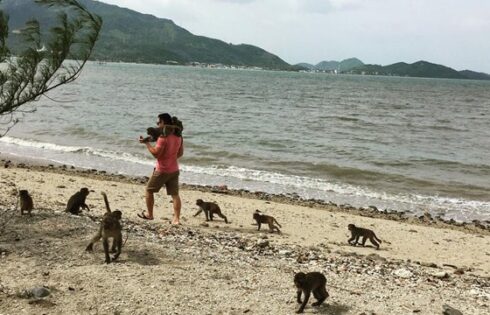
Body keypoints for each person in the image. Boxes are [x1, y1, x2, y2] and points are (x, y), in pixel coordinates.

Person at [138, 113, 184, 225]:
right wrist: (171, 158)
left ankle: (150, 215)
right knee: (175, 195)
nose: (157, 124)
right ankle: (176, 219)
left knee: (149, 190)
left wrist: (147, 144)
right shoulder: (179, 136)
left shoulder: (163, 138)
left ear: (163, 123)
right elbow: (180, 153)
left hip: (162, 170)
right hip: (174, 169)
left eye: (158, 122)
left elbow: (156, 154)